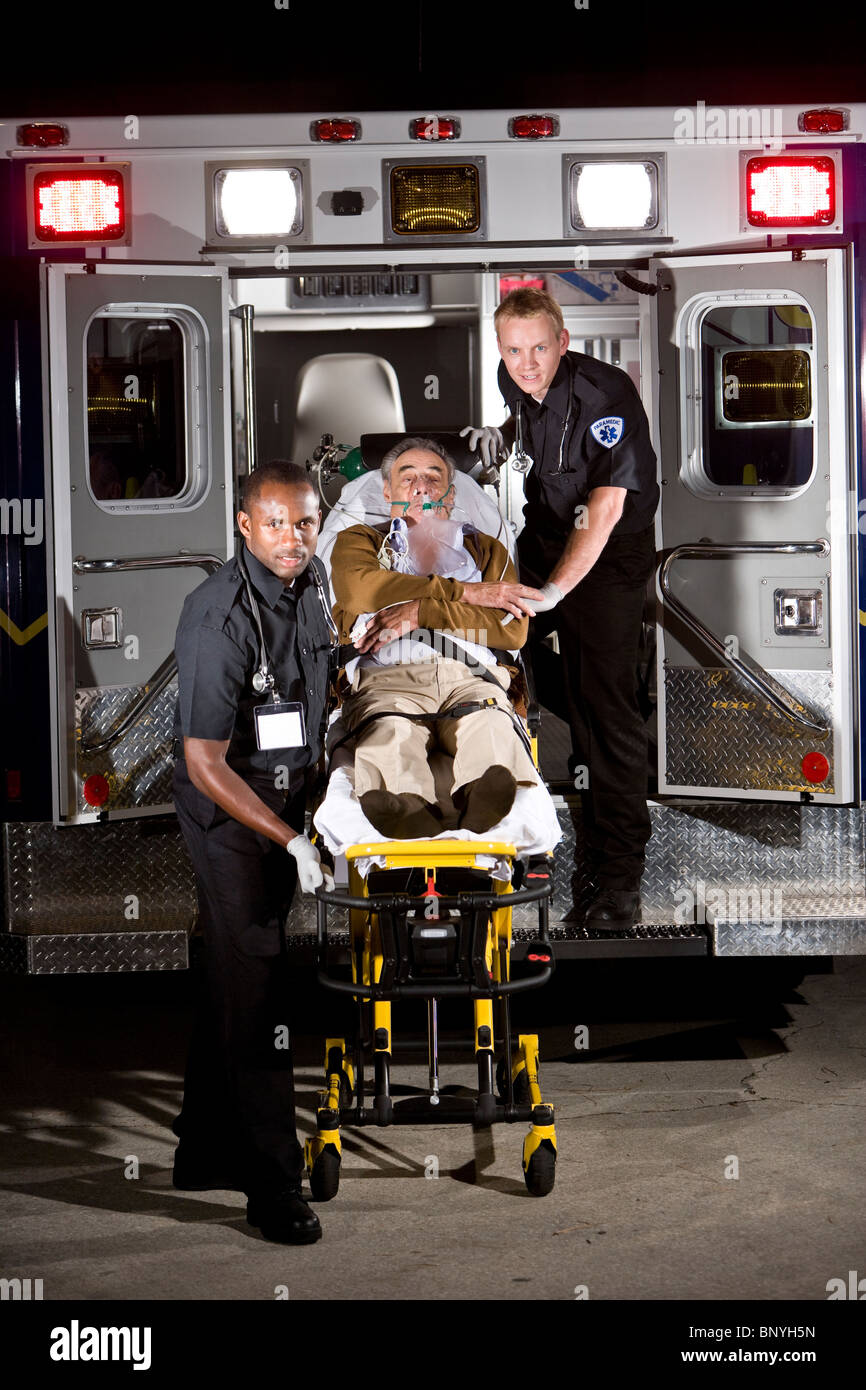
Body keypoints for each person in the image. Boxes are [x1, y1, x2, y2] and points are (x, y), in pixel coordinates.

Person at [170, 459, 334, 1245]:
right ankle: (274, 1187)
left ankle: (202, 1149)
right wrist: (290, 838)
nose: (293, 538)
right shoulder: (219, 617)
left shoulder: (312, 586)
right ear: (243, 525)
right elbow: (205, 762)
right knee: (261, 992)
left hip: (285, 804)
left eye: (305, 521)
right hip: (233, 822)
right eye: (275, 523)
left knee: (231, 977)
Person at [464, 287, 659, 930]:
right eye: (514, 350)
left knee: (607, 709)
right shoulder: (512, 378)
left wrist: (552, 593)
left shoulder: (607, 399)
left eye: (539, 349)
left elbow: (604, 510)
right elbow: (524, 424)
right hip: (546, 542)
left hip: (606, 559)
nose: (526, 363)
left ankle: (619, 878)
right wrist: (498, 436)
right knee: (515, 672)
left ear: (563, 343)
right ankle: (560, 816)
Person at [329, 437, 545, 838]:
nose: (421, 487)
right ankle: (404, 805)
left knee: (489, 724)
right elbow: (363, 592)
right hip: (389, 680)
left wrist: (420, 612)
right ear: (387, 492)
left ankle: (485, 796)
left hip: (471, 677)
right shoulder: (359, 542)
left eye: (433, 477)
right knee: (390, 731)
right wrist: (467, 594)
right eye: (407, 477)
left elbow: (511, 628)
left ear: (452, 491)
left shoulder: (486, 550)